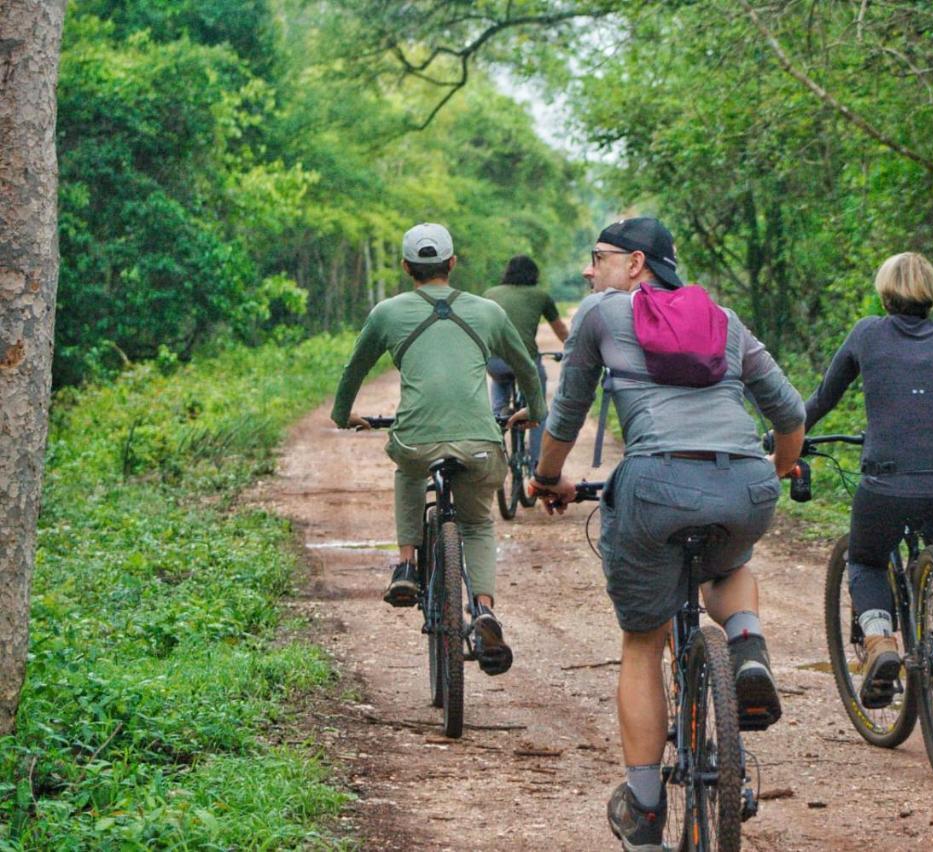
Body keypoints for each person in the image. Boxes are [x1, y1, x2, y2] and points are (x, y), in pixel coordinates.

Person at [531, 217, 805, 850]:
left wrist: (547, 478)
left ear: (634, 264)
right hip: (744, 486)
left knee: (642, 640)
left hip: (656, 486)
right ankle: (747, 647)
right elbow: (790, 414)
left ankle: (647, 808)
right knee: (729, 568)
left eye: (597, 256)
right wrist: (778, 469)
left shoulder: (601, 315)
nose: (587, 269)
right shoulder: (726, 320)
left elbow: (566, 414)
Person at [331, 223, 546, 675]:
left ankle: (407, 565)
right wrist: (535, 411)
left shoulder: (387, 312)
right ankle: (484, 609)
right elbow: (526, 364)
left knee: (408, 465)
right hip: (479, 443)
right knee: (476, 523)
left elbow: (355, 369)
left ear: (407, 267)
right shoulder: (487, 312)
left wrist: (342, 415)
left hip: (418, 439)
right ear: (452, 263)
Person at [803, 251, 933, 710]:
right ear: (932, 294)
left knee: (863, 558)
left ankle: (880, 642)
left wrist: (785, 434)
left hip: (887, 484)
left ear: (885, 292)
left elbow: (824, 398)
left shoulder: (868, 333)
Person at [482, 255, 569, 468]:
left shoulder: (489, 294)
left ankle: (498, 419)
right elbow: (561, 330)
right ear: (534, 274)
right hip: (525, 363)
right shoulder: (541, 296)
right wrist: (573, 350)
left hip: (494, 362)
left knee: (500, 379)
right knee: (537, 406)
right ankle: (538, 462)